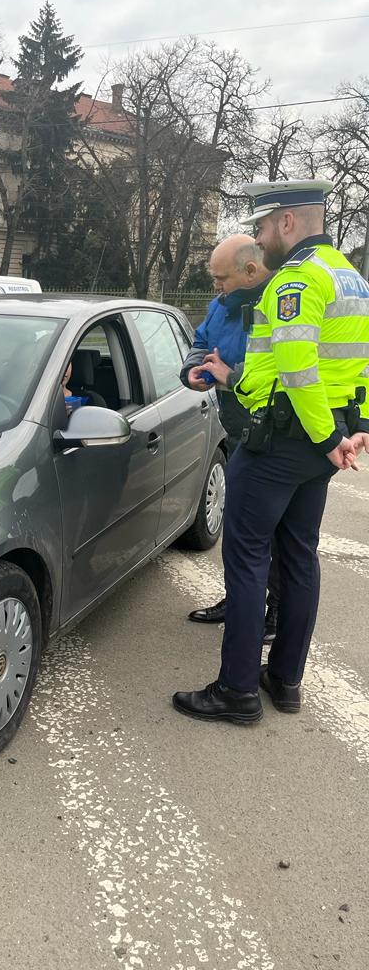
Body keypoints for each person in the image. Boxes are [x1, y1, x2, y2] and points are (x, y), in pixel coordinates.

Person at [173, 178, 369, 724]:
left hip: (283, 440)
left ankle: (236, 691)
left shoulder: (298, 279)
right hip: (318, 445)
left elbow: (298, 366)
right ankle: (284, 682)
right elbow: (361, 364)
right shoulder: (352, 278)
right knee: (300, 558)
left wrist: (329, 437)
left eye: (261, 226)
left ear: (286, 222)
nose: (260, 238)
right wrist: (357, 426)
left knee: (246, 560)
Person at [179, 235, 279, 642]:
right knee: (238, 529)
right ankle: (239, 600)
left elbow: (281, 375)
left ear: (250, 271)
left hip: (273, 438)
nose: (215, 286)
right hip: (235, 432)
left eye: (221, 278)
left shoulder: (279, 306)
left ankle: (273, 613)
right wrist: (192, 370)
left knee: (269, 532)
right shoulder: (221, 306)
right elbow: (201, 343)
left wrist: (228, 374)